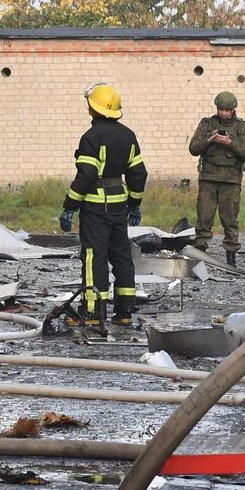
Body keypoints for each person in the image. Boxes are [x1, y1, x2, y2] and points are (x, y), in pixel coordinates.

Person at [57, 84, 147, 328]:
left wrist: (69, 206)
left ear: (92, 108)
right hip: (120, 207)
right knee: (121, 256)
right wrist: (135, 204)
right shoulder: (128, 135)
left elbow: (86, 175)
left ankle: (92, 311)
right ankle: (125, 311)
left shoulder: (91, 138)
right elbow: (138, 173)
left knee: (93, 257)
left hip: (95, 209)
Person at [187, 91, 245, 266]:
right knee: (204, 218)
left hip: (231, 180)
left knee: (230, 219)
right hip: (208, 177)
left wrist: (229, 143)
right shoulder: (207, 124)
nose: (224, 113)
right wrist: (209, 140)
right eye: (221, 109)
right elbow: (193, 148)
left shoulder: (242, 127)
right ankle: (200, 257)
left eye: (227, 110)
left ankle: (231, 258)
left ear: (233, 110)